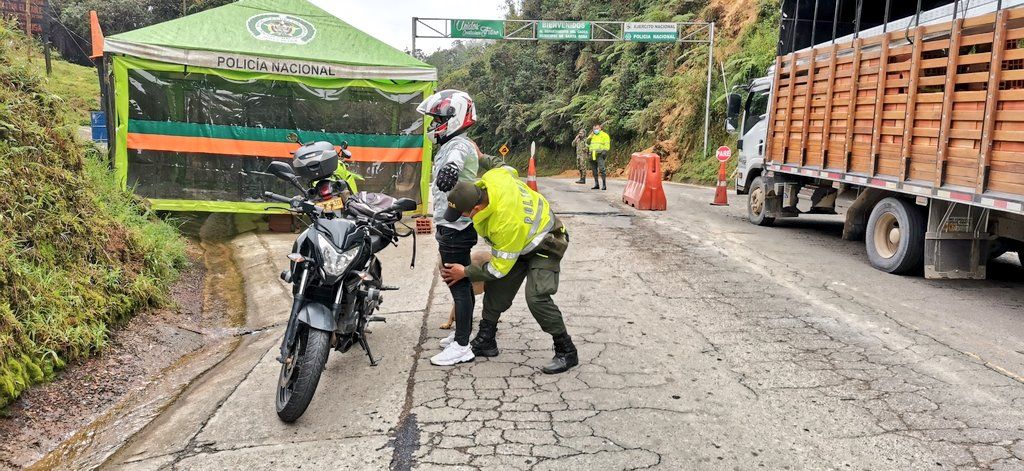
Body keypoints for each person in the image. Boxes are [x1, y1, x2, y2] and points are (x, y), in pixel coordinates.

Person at [439, 168, 579, 375]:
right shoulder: (493, 178)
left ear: (477, 208)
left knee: (537, 297)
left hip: (546, 244)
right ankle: (487, 340)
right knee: (498, 291)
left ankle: (566, 350)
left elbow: (497, 269)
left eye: (464, 213)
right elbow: (506, 168)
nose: (463, 217)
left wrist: (466, 272)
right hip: (518, 243)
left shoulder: (504, 223)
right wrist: (481, 156)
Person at [416, 90, 482, 367]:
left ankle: (462, 345)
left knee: (458, 284)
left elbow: (455, 160)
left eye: (438, 120)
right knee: (461, 285)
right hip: (453, 225)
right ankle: (461, 335)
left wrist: (450, 171)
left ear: (455, 119)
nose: (433, 126)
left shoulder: (459, 146)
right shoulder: (450, 144)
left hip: (456, 228)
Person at [586, 123, 611, 190]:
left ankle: (604, 185)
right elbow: (587, 143)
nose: (595, 130)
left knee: (602, 169)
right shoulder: (592, 135)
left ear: (600, 128)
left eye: (597, 128)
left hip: (600, 154)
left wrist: (604, 151)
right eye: (594, 129)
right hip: (592, 154)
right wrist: (590, 136)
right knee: (594, 170)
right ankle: (596, 184)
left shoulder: (604, 135)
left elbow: (607, 144)